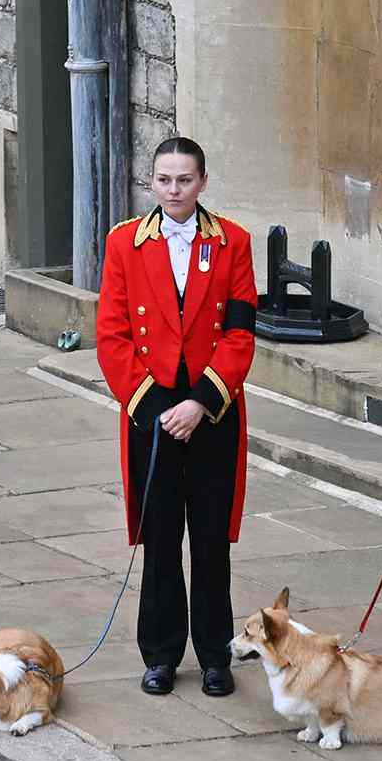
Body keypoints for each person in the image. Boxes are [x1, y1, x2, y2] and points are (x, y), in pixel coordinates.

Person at [95, 137, 257, 698]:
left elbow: (240, 333)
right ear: (152, 182)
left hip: (212, 413)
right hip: (153, 413)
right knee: (161, 538)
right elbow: (112, 337)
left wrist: (202, 403)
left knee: (211, 540)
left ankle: (215, 655)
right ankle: (161, 654)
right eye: (164, 180)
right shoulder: (123, 243)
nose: (173, 191)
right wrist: (158, 408)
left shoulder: (233, 241)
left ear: (203, 182)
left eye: (184, 180)